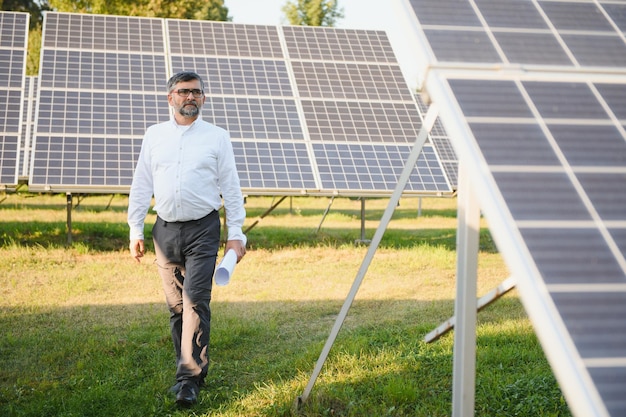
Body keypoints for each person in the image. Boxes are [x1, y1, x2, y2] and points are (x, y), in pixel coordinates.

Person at [127, 71, 246, 406]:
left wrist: (235, 234)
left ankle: (189, 379)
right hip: (164, 230)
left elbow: (232, 189)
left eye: (196, 92)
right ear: (171, 98)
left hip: (203, 229)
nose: (190, 97)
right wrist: (135, 228)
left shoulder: (217, 137)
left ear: (203, 99)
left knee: (195, 300)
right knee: (177, 307)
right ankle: (187, 368)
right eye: (183, 92)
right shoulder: (154, 136)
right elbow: (142, 184)